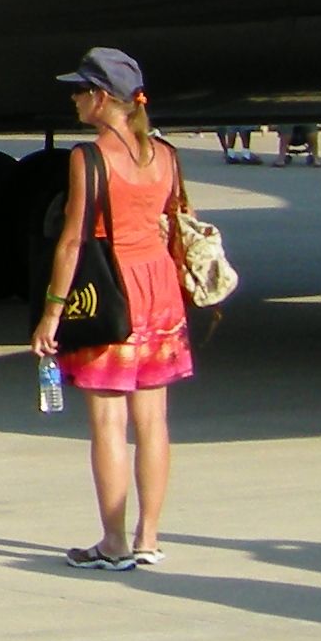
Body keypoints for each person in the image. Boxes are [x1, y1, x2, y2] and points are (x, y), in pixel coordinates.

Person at [34, 46, 196, 571]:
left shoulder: (89, 158)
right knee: (153, 420)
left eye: (81, 91)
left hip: (113, 292)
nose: (75, 100)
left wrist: (52, 313)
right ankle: (149, 536)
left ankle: (113, 541)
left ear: (103, 98)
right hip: (160, 289)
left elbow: (72, 241)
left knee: (107, 420)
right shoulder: (164, 154)